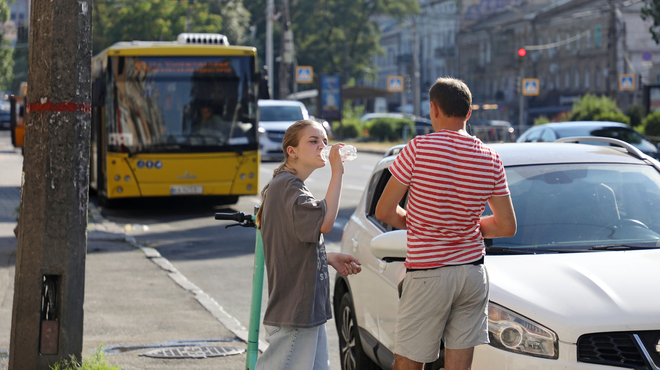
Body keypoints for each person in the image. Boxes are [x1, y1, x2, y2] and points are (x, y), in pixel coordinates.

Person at [375, 77, 517, 370]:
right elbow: (506, 227)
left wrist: (420, 224)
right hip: (472, 274)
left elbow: (385, 211)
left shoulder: (417, 149)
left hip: (428, 273)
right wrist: (466, 228)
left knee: (408, 364)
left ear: (433, 109)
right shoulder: (490, 158)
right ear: (469, 113)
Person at [255, 119, 362, 369]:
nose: (322, 146)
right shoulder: (288, 186)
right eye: (313, 141)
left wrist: (328, 256)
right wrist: (338, 172)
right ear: (292, 152)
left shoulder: (288, 185)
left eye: (324, 140)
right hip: (296, 311)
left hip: (304, 311)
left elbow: (293, 246)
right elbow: (325, 222)